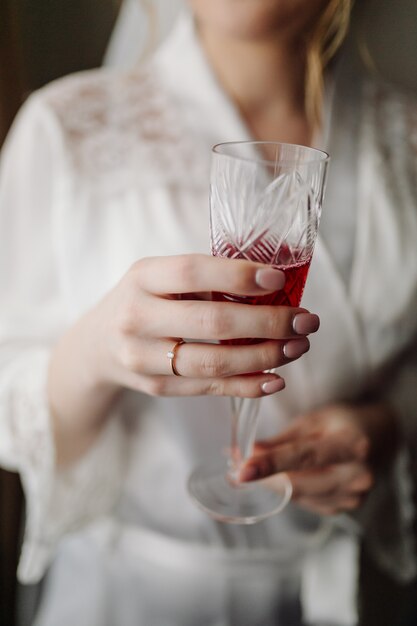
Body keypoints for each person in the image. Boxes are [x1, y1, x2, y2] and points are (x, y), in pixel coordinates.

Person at [1, 0, 417, 624]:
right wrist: (94, 353)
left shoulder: (406, 139)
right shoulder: (64, 129)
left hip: (340, 593)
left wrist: (389, 427)